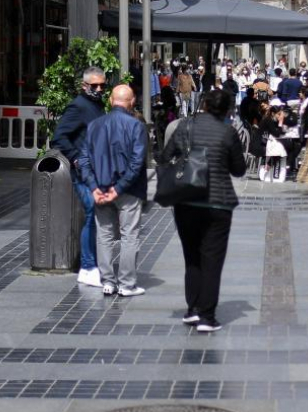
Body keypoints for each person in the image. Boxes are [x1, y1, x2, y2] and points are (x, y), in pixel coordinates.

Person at [161, 90, 246, 333]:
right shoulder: (228, 132)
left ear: (205, 104)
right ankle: (207, 316)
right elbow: (239, 170)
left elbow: (165, 157)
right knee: (212, 258)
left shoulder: (185, 126)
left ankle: (193, 309)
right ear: (228, 109)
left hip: (186, 201)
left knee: (192, 256)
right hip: (218, 202)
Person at [77, 85, 148, 298]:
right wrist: (118, 189)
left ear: (110, 100)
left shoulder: (95, 125)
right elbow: (137, 163)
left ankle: (108, 281)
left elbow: (84, 159)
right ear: (132, 101)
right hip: (128, 189)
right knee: (129, 235)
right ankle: (127, 283)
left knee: (104, 235)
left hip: (101, 187)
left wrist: (94, 187)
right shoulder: (136, 126)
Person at [51, 66, 107, 288]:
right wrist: (75, 158)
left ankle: (92, 264)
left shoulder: (96, 104)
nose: (100, 89)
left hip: (96, 170)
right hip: (84, 171)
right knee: (93, 210)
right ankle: (87, 266)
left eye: (103, 85)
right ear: (84, 86)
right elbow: (59, 137)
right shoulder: (78, 106)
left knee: (96, 213)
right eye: (95, 86)